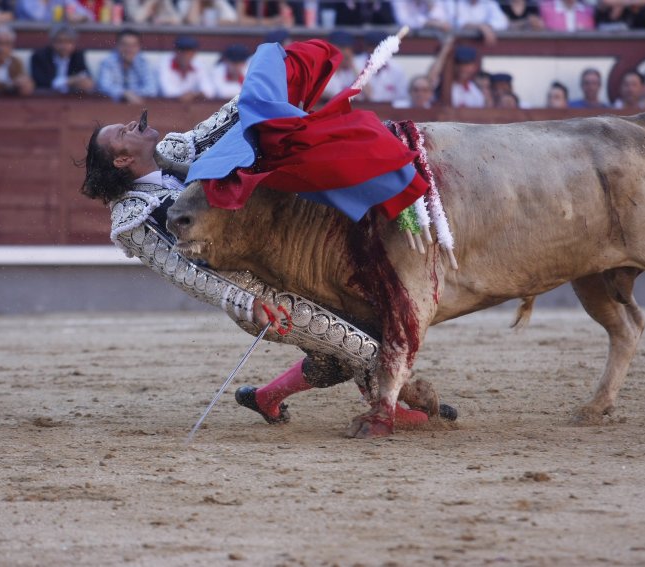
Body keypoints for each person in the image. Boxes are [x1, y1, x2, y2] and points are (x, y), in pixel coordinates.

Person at [80, 37, 458, 426]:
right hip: (257, 292)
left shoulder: (174, 149)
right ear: (123, 159)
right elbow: (187, 272)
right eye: (121, 133)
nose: (131, 124)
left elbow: (229, 121)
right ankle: (405, 403)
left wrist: (269, 85)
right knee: (360, 344)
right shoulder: (132, 218)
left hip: (282, 260)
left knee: (336, 351)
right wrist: (248, 304)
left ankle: (266, 398)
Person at [30, 24, 95, 96]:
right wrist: (70, 81)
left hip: (72, 101)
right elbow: (42, 83)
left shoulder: (78, 55)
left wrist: (85, 82)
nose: (64, 46)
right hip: (46, 100)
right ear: (52, 42)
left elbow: (85, 76)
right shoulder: (40, 56)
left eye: (68, 42)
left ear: (74, 43)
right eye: (60, 41)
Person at [96, 28, 157, 103]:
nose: (129, 49)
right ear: (117, 45)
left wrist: (131, 95)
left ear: (139, 47)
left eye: (133, 45)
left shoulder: (143, 63)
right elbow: (103, 87)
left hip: (137, 106)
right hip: (113, 108)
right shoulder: (108, 62)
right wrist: (124, 94)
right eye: (125, 45)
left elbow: (152, 89)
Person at [355, 30, 408, 103]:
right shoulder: (355, 64)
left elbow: (402, 97)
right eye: (373, 46)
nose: (377, 50)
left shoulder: (397, 69)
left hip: (389, 112)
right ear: (366, 48)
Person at [156, 35, 210, 103]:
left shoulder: (198, 64)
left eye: (189, 51)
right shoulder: (164, 64)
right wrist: (192, 94)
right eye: (182, 51)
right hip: (165, 106)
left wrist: (193, 94)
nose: (185, 55)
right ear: (175, 51)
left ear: (194, 53)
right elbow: (167, 91)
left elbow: (209, 91)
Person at [429, 0, 509, 45]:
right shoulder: (453, 2)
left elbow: (502, 22)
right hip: (456, 44)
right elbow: (455, 23)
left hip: (482, 45)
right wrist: (480, 27)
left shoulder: (488, 3)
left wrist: (487, 27)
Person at [0, 25, 34, 98]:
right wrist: (10, 85)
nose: (1, 48)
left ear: (12, 46)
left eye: (7, 44)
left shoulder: (16, 62)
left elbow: (21, 83)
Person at [320, 31, 360, 101]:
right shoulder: (323, 67)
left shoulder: (353, 69)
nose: (346, 52)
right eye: (342, 47)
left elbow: (370, 95)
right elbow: (316, 93)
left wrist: (353, 67)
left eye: (348, 48)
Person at [15, 0, 93, 22]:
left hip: (56, 41)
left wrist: (81, 17)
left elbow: (90, 16)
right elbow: (38, 18)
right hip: (32, 40)